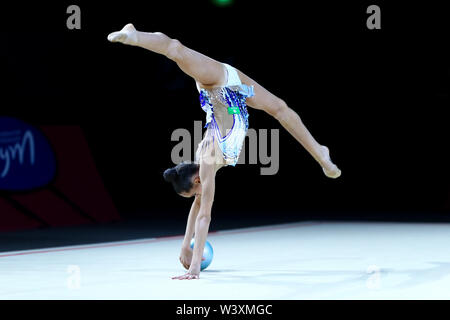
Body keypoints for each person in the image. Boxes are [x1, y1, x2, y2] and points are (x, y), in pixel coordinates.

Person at [108, 24, 342, 280]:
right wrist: (185, 244)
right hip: (235, 96)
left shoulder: (207, 161)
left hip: (216, 81)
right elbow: (197, 206)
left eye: (195, 191)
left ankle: (133, 35)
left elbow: (204, 216)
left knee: (176, 49)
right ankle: (320, 152)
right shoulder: (204, 169)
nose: (199, 195)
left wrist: (195, 267)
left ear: (196, 180)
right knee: (280, 108)